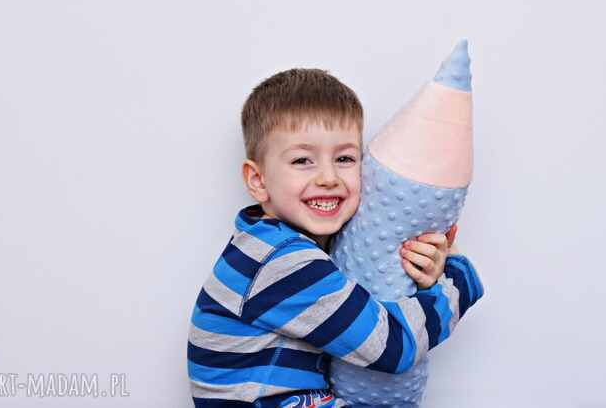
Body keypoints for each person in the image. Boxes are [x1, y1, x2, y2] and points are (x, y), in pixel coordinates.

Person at [186, 68, 484, 408]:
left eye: (344, 158)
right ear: (258, 181)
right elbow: (393, 347)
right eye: (302, 160)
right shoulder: (284, 262)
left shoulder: (261, 245)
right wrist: (458, 279)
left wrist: (422, 275)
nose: (328, 177)